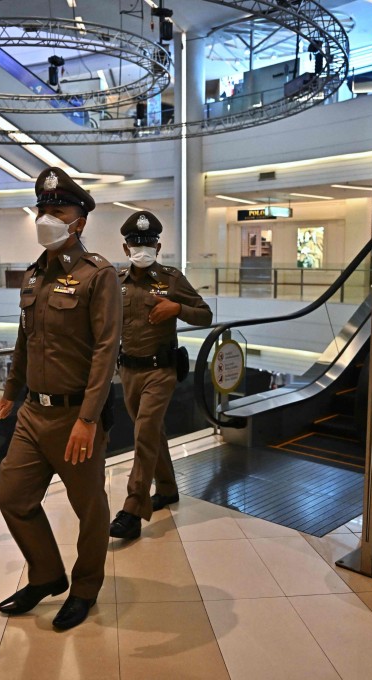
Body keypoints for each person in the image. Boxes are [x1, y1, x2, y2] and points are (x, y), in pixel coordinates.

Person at [0, 166, 121, 631]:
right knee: (12, 495)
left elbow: (107, 350)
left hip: (76, 417)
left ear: (79, 221)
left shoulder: (98, 274)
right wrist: (11, 390)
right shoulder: (33, 276)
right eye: (42, 209)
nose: (47, 217)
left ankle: (85, 589)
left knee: (90, 510)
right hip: (33, 413)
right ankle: (46, 575)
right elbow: (24, 339)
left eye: (58, 210)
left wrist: (89, 419)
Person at [109, 211, 213, 540]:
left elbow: (205, 314)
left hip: (160, 370)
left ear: (158, 245)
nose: (143, 248)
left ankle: (132, 508)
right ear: (126, 249)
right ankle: (167, 489)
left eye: (149, 242)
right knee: (152, 434)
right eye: (136, 243)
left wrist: (177, 309)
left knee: (144, 435)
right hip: (128, 371)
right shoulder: (116, 283)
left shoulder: (171, 279)